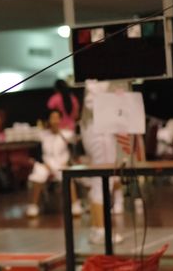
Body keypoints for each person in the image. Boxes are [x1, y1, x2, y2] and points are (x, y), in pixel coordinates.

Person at [80, 80, 126, 244]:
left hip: (99, 131)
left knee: (99, 182)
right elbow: (92, 104)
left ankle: (96, 228)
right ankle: (101, 230)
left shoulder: (100, 80)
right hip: (100, 133)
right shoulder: (96, 80)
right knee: (102, 183)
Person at [26, 109, 82, 218]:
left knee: (68, 177)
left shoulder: (67, 134)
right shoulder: (41, 135)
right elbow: (37, 153)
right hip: (45, 164)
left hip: (62, 164)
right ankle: (33, 205)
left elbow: (75, 147)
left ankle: (75, 204)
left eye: (57, 118)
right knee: (39, 176)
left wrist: (68, 162)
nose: (55, 121)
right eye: (53, 118)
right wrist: (44, 164)